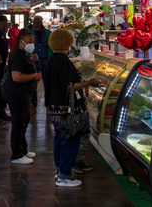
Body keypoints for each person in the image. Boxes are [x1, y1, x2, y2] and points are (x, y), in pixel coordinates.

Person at [45, 28, 103, 187]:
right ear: (67, 43)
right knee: (70, 139)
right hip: (67, 108)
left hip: (55, 106)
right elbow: (69, 86)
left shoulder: (52, 60)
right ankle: (64, 174)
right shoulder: (63, 62)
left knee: (60, 138)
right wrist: (90, 83)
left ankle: (59, 171)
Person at [1, 29, 40, 164]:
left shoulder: (23, 54)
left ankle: (23, 150)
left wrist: (32, 60)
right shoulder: (18, 55)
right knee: (18, 124)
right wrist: (36, 76)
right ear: (22, 39)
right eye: (29, 41)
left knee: (24, 122)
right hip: (16, 94)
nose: (32, 44)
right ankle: (17, 155)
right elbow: (16, 77)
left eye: (33, 42)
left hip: (23, 94)